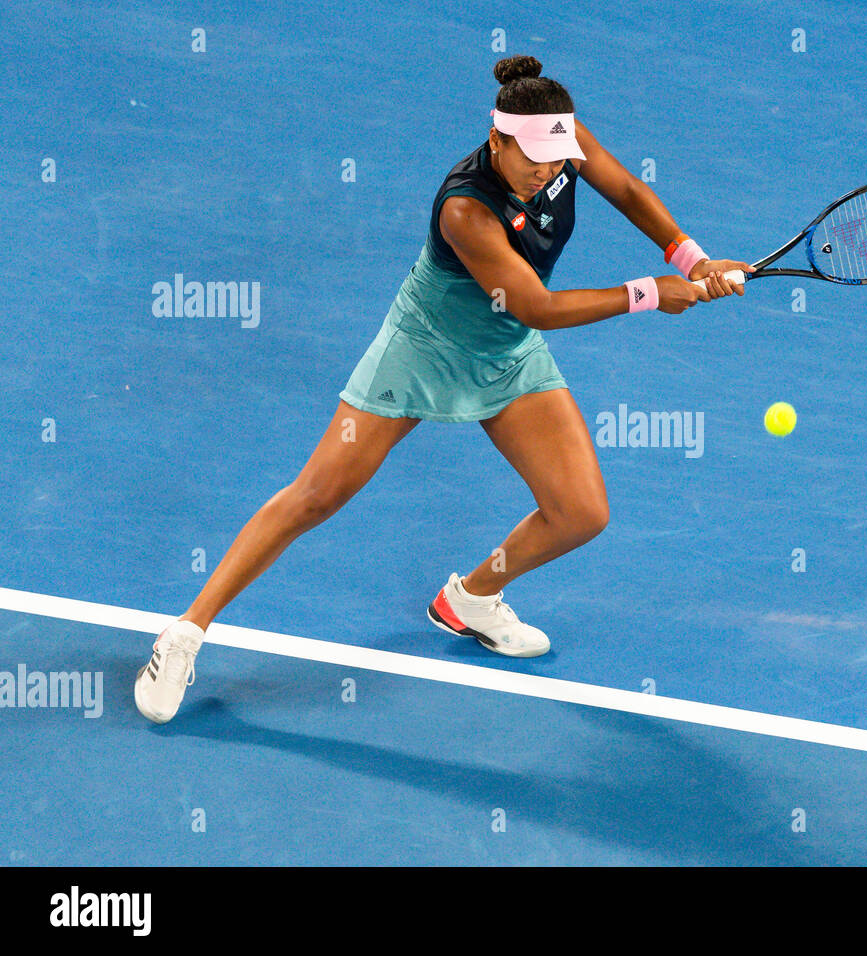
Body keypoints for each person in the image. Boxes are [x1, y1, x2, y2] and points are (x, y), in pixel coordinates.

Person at [135, 54, 752, 724]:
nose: (549, 167)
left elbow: (628, 191)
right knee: (316, 495)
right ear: (496, 141)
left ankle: (473, 599)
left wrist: (690, 258)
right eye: (533, 157)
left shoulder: (562, 143)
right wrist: (647, 294)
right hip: (422, 350)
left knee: (581, 513)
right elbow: (536, 307)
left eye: (558, 153)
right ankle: (185, 633)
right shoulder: (465, 208)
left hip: (505, 357)